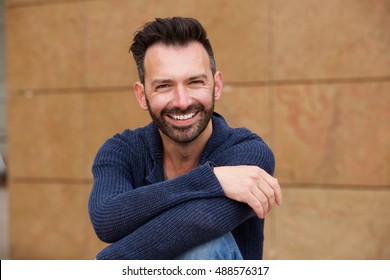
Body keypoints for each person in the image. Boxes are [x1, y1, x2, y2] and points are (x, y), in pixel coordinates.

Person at [88, 17, 282, 260]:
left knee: (203, 247)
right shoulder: (122, 151)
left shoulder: (248, 154)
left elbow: (200, 223)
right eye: (164, 86)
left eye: (195, 82)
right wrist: (212, 180)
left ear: (217, 86)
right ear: (141, 95)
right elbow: (107, 219)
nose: (182, 101)